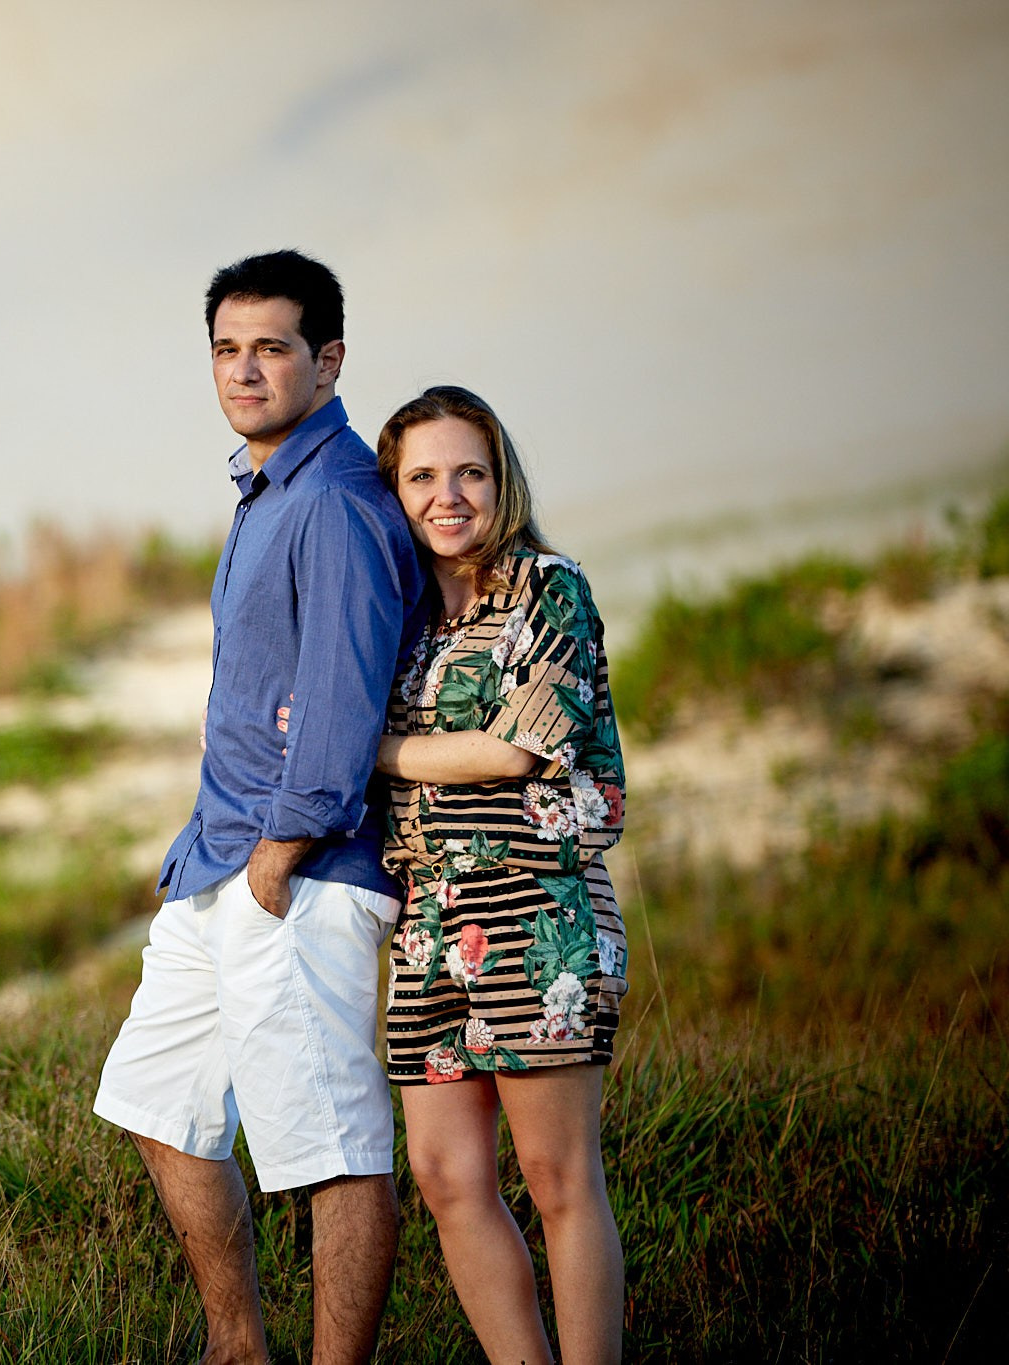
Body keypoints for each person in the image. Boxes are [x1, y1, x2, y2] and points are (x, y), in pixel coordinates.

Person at [93, 250, 425, 1365]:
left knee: (330, 1143)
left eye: (271, 348)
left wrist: (278, 858)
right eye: (226, 350)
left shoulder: (332, 504)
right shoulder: (263, 490)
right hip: (215, 862)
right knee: (153, 1100)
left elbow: (336, 700)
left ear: (327, 361)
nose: (244, 371)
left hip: (296, 870)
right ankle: (238, 1348)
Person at [372, 385, 628, 1365]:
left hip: (538, 916)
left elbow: (515, 749)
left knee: (557, 1178)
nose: (447, 495)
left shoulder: (545, 588)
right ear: (394, 494)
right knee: (443, 1178)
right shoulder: (402, 620)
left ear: (500, 480)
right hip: (427, 927)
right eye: (422, 477)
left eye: (468, 472)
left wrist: (374, 751)